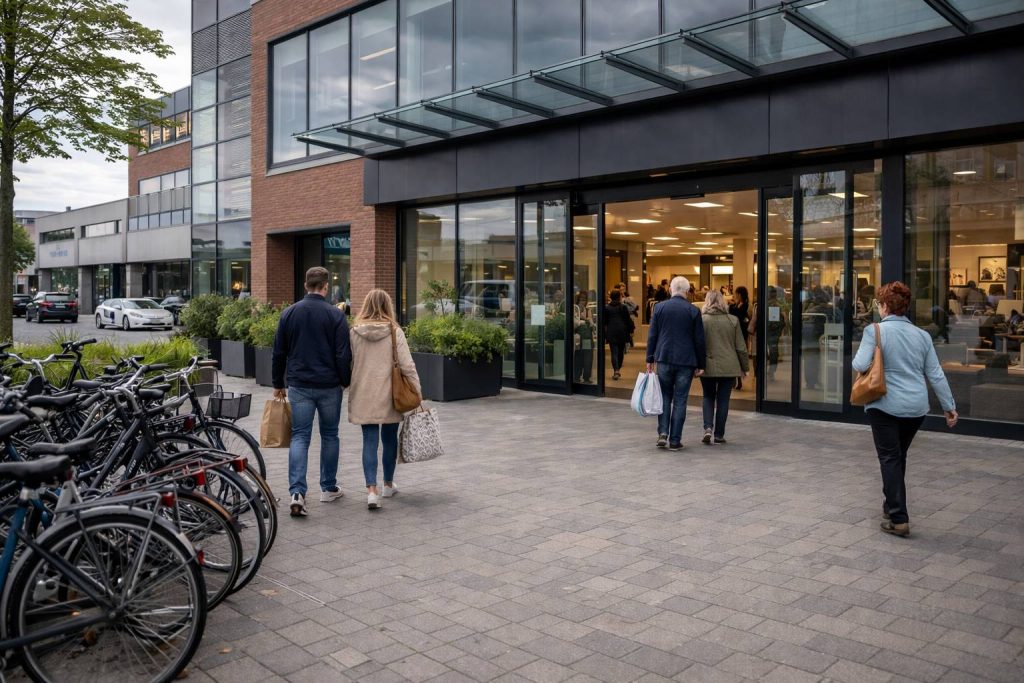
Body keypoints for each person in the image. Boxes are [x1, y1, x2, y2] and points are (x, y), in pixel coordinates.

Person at [852, 281, 957, 537]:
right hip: (916, 408)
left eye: (879, 304)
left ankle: (899, 518)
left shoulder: (874, 331)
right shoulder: (922, 336)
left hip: (884, 404)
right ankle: (890, 506)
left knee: (890, 458)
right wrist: (949, 406)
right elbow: (935, 374)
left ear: (884, 306)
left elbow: (860, 364)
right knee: (898, 456)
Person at [272, 266, 352, 517]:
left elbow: (278, 352)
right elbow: (343, 354)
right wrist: (345, 380)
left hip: (299, 385)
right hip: (329, 385)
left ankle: (297, 493)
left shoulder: (289, 313)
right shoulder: (335, 315)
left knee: (300, 436)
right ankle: (328, 488)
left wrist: (277, 383)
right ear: (326, 287)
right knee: (330, 435)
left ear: (306, 285)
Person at [348, 289, 422, 510]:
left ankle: (372, 491)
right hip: (391, 394)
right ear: (388, 306)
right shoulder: (394, 331)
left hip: (364, 393)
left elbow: (347, 363)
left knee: (369, 441)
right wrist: (417, 392)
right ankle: (388, 484)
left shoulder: (353, 332)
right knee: (389, 440)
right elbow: (407, 366)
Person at [646, 276, 706, 451]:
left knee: (665, 397)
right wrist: (701, 364)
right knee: (680, 400)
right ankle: (675, 440)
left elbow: (652, 335)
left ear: (671, 289)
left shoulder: (659, 308)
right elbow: (699, 340)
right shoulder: (693, 310)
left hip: (664, 358)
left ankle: (663, 433)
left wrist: (649, 358)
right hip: (686, 361)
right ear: (687, 291)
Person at [700, 290, 749, 445]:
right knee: (723, 400)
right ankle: (719, 435)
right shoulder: (733, 320)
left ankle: (708, 427)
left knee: (708, 396)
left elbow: (697, 344)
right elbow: (741, 347)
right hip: (729, 366)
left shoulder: (701, 320)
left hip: (707, 365)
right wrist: (745, 367)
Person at [604, 289, 634, 381]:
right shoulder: (623, 307)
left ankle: (616, 370)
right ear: (619, 297)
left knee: (614, 352)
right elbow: (628, 320)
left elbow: (605, 321)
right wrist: (631, 330)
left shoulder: (607, 308)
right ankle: (618, 369)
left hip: (611, 331)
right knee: (621, 352)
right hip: (622, 331)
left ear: (611, 297)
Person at [729, 286, 751, 390]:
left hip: (742, 334)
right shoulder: (735, 305)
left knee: (740, 355)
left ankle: (739, 379)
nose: (734, 295)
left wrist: (733, 308)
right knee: (734, 356)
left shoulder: (746, 305)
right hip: (734, 333)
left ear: (740, 294)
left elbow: (738, 315)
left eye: (736, 293)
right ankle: (736, 379)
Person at [574, 291, 595, 383]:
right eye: (581, 300)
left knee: (583, 356)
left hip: (583, 337)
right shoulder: (577, 309)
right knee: (584, 356)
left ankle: (580, 377)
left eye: (584, 300)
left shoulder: (585, 310)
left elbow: (591, 325)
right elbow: (591, 324)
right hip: (582, 337)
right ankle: (582, 377)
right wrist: (586, 320)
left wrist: (587, 320)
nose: (583, 302)